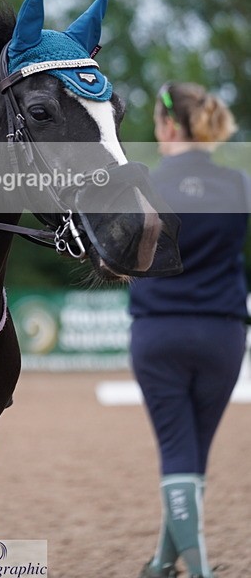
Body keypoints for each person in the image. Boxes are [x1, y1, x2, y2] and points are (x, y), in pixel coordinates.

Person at [129, 82, 250, 578]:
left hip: (160, 333)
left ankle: (197, 572)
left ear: (170, 125)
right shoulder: (240, 185)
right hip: (223, 334)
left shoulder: (144, 185)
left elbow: (122, 259)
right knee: (191, 453)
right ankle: (161, 562)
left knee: (180, 452)